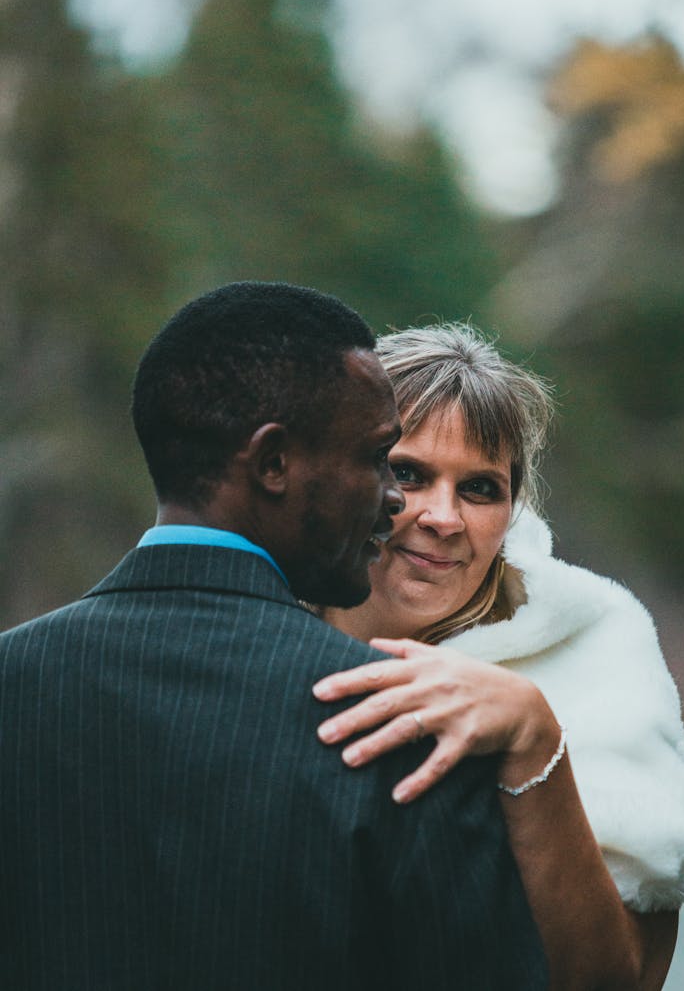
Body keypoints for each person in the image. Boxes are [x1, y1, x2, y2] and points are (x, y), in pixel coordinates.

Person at [0, 285, 548, 990]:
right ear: (273, 463)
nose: (392, 498)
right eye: (381, 459)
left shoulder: (13, 685)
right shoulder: (405, 732)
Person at [314, 322, 684, 991]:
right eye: (408, 473)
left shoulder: (587, 644)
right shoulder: (255, 622)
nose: (444, 516)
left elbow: (627, 976)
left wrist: (534, 734)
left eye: (479, 488)